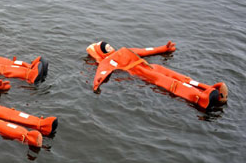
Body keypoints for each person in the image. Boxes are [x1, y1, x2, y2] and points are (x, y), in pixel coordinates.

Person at [87, 41, 228, 109]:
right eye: (106, 47)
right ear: (102, 52)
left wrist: (164, 48)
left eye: (109, 45)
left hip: (150, 67)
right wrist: (97, 83)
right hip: (141, 72)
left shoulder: (125, 50)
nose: (110, 47)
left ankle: (209, 88)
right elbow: (101, 73)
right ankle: (201, 98)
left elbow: (145, 51)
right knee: (169, 82)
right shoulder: (106, 61)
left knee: (180, 77)